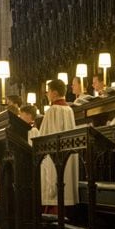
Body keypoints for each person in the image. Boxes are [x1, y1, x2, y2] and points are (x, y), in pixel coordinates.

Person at [39, 79, 78, 213]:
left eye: (48, 91)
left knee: (53, 181)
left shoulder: (52, 110)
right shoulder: (69, 110)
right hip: (66, 153)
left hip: (54, 154)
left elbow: (42, 137)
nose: (47, 94)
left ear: (54, 93)